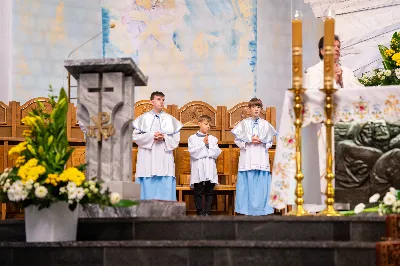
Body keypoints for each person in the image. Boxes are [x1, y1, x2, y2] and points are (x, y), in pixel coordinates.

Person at [304, 35, 364, 207]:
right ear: (322, 51)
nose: (337, 49)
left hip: (346, 127)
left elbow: (359, 96)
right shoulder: (313, 72)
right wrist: (331, 81)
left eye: (338, 46)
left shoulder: (348, 72)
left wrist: (342, 82)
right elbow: (310, 97)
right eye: (332, 47)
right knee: (324, 166)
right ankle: (321, 207)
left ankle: (343, 206)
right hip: (323, 127)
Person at [132, 91, 182, 200]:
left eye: (163, 100)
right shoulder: (143, 119)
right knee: (147, 178)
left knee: (165, 181)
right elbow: (135, 137)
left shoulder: (170, 119)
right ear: (152, 101)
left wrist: (164, 137)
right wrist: (151, 136)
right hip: (147, 157)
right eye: (159, 99)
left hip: (164, 156)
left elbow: (176, 140)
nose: (161, 102)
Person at [231, 98, 277, 215]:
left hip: (261, 157)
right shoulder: (244, 123)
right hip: (248, 157)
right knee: (247, 184)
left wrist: (262, 141)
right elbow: (237, 140)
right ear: (249, 109)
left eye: (258, 107)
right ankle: (245, 209)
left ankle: (263, 209)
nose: (256, 109)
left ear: (261, 109)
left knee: (261, 184)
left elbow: (270, 142)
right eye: (253, 107)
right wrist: (248, 141)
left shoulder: (266, 124)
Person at [188, 115, 222, 215]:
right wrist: (203, 144)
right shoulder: (192, 138)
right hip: (198, 167)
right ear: (199, 124)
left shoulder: (213, 139)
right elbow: (193, 153)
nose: (208, 127)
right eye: (206, 124)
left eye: (209, 125)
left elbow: (216, 153)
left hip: (209, 167)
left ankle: (207, 211)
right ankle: (199, 211)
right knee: (198, 191)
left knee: (209, 191)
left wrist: (207, 146)